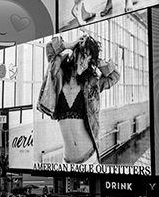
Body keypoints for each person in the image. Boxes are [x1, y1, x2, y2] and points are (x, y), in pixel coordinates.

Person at [38, 34, 120, 164]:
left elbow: (114, 76)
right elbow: (49, 48)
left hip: (90, 159)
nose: (85, 63)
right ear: (75, 53)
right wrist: (69, 44)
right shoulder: (57, 76)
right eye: (84, 55)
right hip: (66, 162)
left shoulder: (91, 84)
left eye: (89, 60)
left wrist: (99, 63)